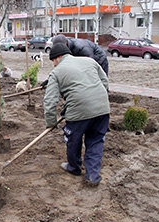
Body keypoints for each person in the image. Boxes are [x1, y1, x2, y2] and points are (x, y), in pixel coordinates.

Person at [43, 43, 110, 186]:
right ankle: (92, 175)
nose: (54, 65)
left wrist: (50, 122)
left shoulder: (56, 72)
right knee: (96, 141)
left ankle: (74, 168)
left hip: (79, 111)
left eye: (53, 62)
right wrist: (96, 100)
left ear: (58, 58)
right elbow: (104, 82)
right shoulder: (89, 61)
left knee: (73, 140)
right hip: (102, 108)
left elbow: (50, 101)